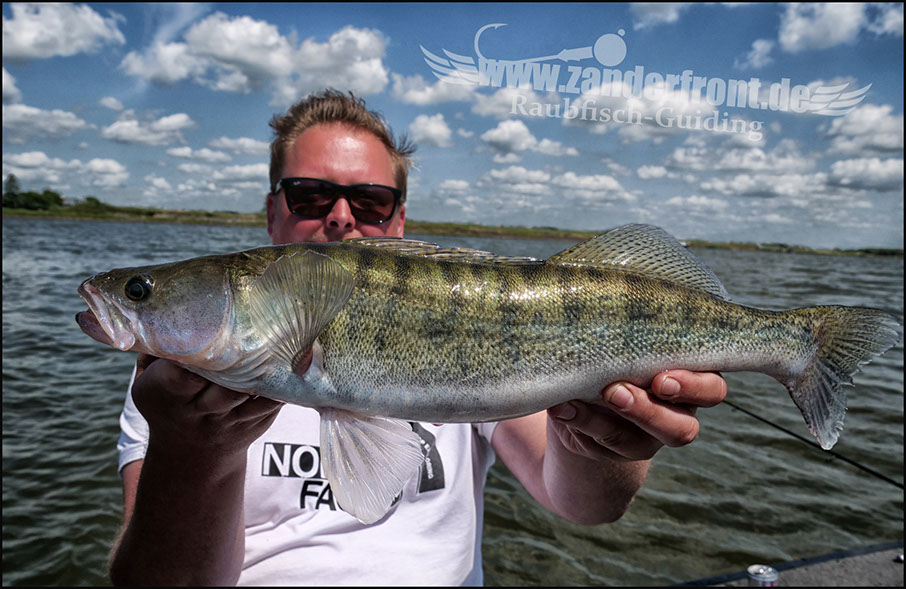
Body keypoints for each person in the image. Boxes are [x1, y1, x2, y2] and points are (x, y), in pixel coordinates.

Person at [109, 90, 727, 586]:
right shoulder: (168, 391)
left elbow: (584, 504)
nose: (342, 217)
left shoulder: (466, 316)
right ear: (272, 212)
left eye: (371, 200)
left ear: (399, 219)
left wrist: (601, 445)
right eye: (311, 195)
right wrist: (193, 453)